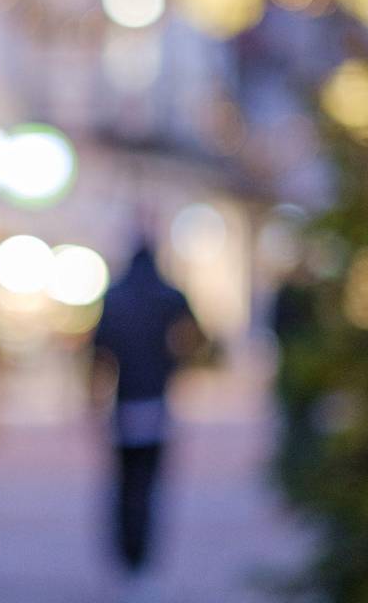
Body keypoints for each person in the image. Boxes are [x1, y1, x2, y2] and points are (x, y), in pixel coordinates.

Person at [91, 242, 209, 589]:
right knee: (148, 482)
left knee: (124, 481)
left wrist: (92, 399)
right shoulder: (168, 295)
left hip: (123, 401)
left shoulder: (114, 297)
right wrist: (173, 363)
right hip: (156, 400)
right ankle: (140, 553)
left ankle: (126, 551)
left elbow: (97, 354)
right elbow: (199, 337)